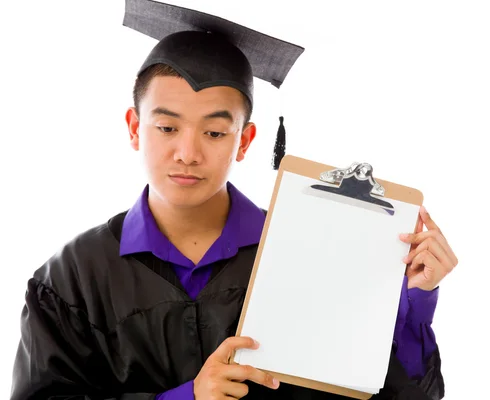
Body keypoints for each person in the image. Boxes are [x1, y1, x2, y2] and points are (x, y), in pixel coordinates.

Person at [10, 0, 458, 399]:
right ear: (133, 127)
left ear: (244, 141)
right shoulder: (73, 278)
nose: (188, 152)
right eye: (167, 127)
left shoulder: (307, 251)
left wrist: (413, 302)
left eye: (214, 132)